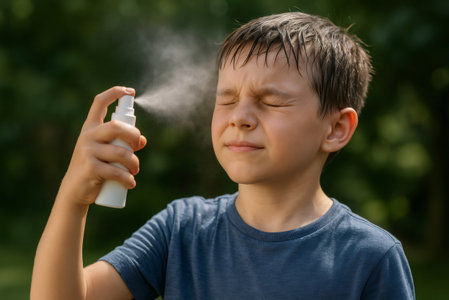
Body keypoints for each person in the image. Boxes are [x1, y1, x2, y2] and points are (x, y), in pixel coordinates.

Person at [31, 11, 415, 300]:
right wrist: (72, 198)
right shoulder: (181, 230)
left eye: (271, 101)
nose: (240, 117)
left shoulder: (371, 258)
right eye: (227, 99)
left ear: (336, 129)